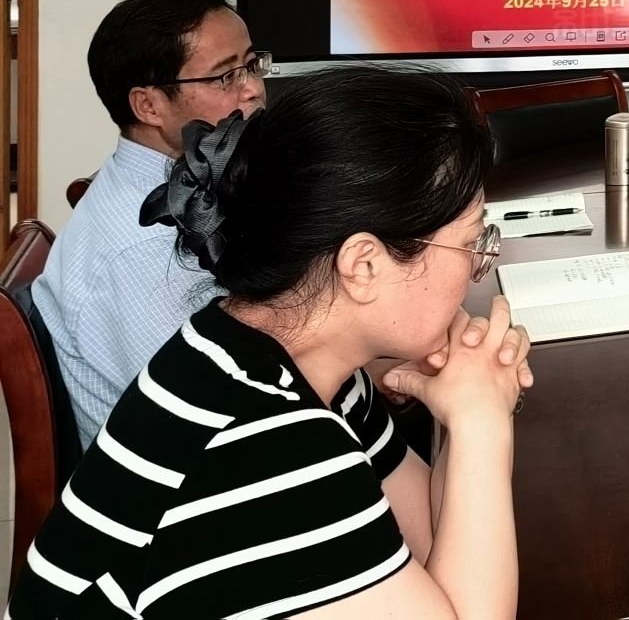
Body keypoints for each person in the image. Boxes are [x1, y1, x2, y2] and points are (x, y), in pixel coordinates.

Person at [12, 65, 534, 618]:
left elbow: (433, 544)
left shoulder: (282, 356)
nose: (478, 264)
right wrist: (482, 420)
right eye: (472, 243)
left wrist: (465, 408)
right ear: (363, 265)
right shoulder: (266, 443)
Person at [37, 0, 269, 445]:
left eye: (251, 64)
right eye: (226, 76)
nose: (254, 88)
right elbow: (228, 419)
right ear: (149, 106)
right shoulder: (149, 245)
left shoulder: (189, 185)